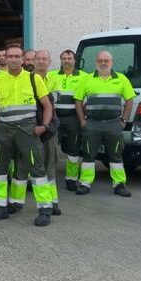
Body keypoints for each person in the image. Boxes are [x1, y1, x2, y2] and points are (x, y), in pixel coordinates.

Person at [0, 44, 55, 226]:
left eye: (17, 56)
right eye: (10, 56)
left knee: (37, 168)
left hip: (28, 130)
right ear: (5, 59)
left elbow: (47, 106)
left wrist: (44, 126)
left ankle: (45, 208)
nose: (14, 59)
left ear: (23, 59)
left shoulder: (34, 78)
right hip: (4, 130)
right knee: (0, 169)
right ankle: (0, 206)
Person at [74, 51, 135, 197]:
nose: (103, 63)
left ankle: (119, 184)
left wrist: (124, 120)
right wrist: (82, 121)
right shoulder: (87, 79)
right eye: (100, 60)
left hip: (114, 124)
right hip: (92, 124)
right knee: (88, 154)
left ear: (112, 62)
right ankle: (85, 183)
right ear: (96, 63)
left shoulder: (121, 79)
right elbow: (78, 100)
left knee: (116, 155)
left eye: (106, 60)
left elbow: (129, 100)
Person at [48, 49, 86, 191]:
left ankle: (71, 179)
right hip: (55, 118)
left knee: (73, 150)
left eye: (69, 58)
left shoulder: (84, 76)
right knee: (51, 148)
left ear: (75, 60)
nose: (67, 61)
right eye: (64, 58)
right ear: (60, 60)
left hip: (73, 118)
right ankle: (49, 177)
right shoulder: (52, 75)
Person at [33, 50, 62, 215]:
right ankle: (16, 202)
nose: (41, 62)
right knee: (27, 167)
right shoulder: (27, 78)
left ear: (50, 62)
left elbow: (53, 102)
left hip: (49, 129)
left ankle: (53, 201)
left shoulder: (55, 79)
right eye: (38, 59)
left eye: (44, 59)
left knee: (49, 165)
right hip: (29, 129)